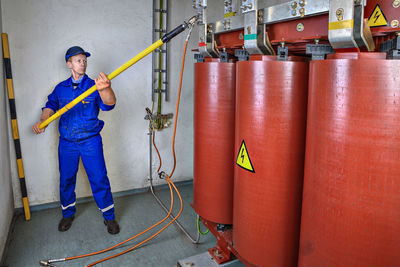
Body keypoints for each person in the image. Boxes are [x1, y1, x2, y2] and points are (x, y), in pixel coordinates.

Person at [32, 46, 120, 234]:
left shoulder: (93, 85)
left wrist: (106, 89)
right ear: (69, 64)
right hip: (67, 143)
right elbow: (50, 106)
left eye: (85, 60)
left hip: (90, 141)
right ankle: (67, 214)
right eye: (79, 60)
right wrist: (43, 120)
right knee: (66, 179)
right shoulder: (60, 88)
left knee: (99, 178)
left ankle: (109, 217)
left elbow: (109, 105)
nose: (83, 63)